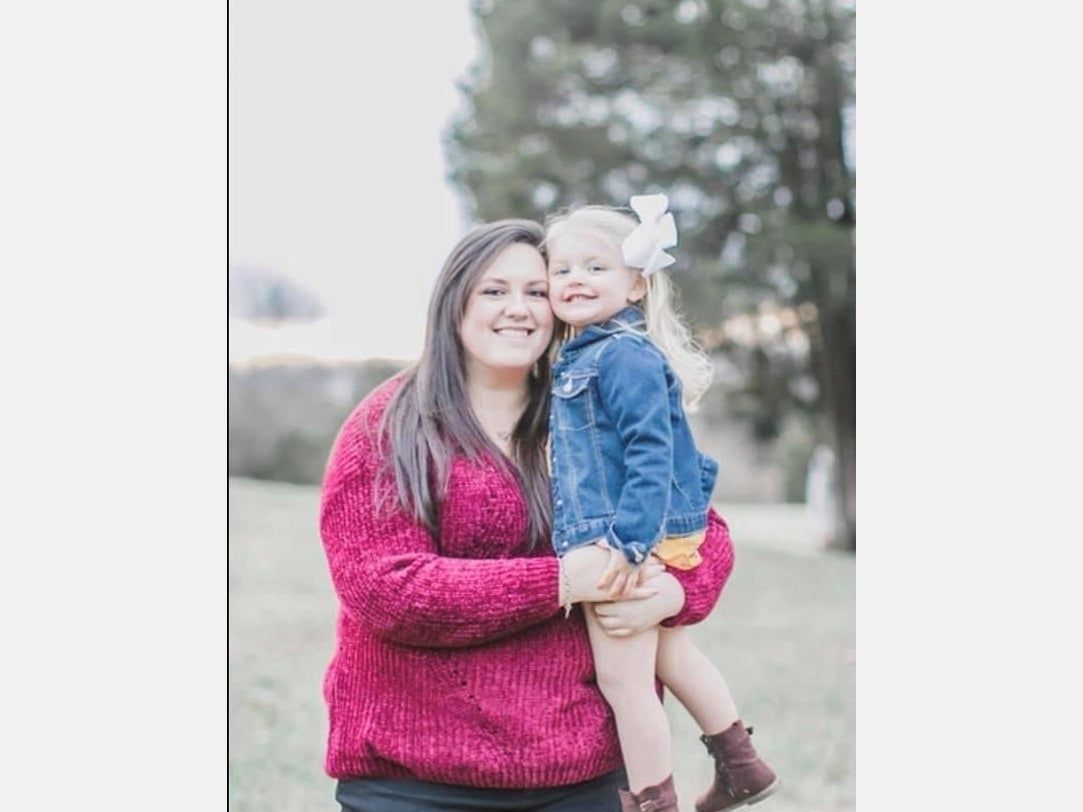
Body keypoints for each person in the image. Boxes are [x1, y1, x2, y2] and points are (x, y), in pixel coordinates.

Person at [319, 218, 736, 811]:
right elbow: (384, 588)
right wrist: (563, 581)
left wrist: (677, 593)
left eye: (536, 292)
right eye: (494, 291)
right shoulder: (387, 424)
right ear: (453, 301)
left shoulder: (594, 403)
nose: (518, 309)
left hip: (584, 776)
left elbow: (701, 531)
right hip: (413, 780)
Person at [543, 195, 778, 812]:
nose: (575, 280)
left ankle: (653, 803)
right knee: (670, 648)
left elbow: (652, 451)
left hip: (626, 533)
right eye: (562, 269)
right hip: (647, 528)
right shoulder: (596, 350)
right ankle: (741, 765)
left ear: (637, 284)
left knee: (626, 683)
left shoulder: (620, 354)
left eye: (596, 268)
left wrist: (628, 542)